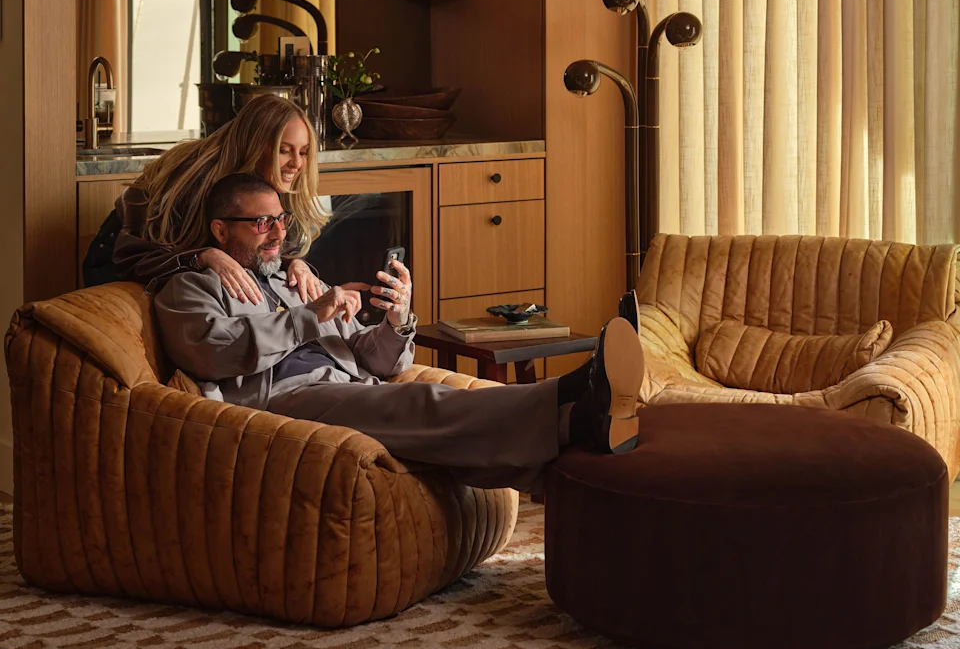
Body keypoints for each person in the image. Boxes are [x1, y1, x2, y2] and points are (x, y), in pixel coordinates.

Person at [152, 172, 646, 491]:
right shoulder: (192, 288)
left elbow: (380, 362)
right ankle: (570, 393)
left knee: (415, 407)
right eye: (262, 223)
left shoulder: (295, 278)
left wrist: (397, 319)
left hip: (347, 387)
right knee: (421, 403)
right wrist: (310, 315)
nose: (279, 233)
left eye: (281, 219)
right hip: (281, 401)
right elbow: (213, 355)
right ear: (221, 231)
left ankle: (577, 427)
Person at [84, 95, 328, 305]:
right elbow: (134, 259)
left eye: (304, 152)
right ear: (254, 146)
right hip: (119, 256)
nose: (297, 163)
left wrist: (295, 263)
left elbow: (271, 245)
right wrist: (204, 256)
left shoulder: (279, 186)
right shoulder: (192, 179)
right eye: (284, 150)